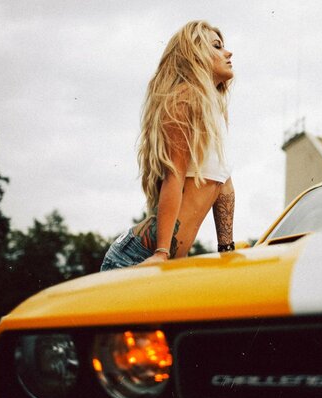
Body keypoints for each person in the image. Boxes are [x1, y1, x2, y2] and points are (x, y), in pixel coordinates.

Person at [100, 20, 235, 271]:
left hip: (166, 260)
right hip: (138, 257)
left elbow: (223, 184)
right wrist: (162, 253)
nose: (228, 53)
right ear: (195, 55)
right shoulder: (184, 100)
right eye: (217, 46)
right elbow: (174, 174)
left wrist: (226, 249)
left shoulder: (211, 111)